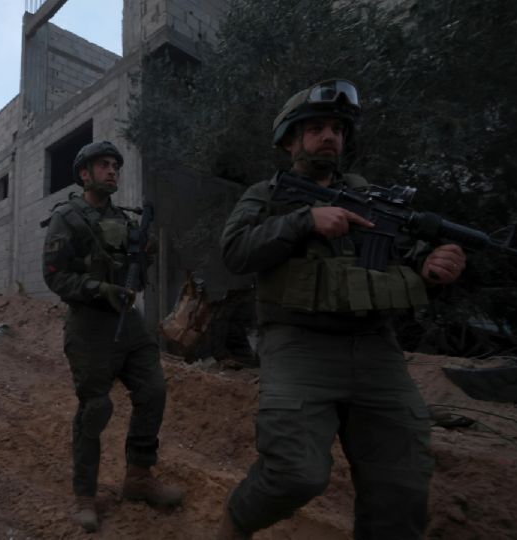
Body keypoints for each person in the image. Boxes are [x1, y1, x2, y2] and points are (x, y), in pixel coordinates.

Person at [216, 79, 467, 539]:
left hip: (376, 350)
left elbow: (400, 258)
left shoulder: (371, 198)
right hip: (298, 346)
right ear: (290, 140)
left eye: (336, 128)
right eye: (316, 128)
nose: (329, 136)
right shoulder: (268, 195)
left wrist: (431, 267)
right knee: (296, 473)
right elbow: (234, 252)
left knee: (402, 484)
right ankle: (236, 523)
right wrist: (302, 221)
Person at [42, 141, 183, 532]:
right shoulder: (68, 218)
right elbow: (54, 275)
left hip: (129, 324)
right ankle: (85, 494)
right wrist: (98, 289)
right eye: (103, 165)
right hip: (90, 326)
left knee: (153, 390)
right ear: (84, 174)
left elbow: (134, 264)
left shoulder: (125, 219)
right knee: (96, 409)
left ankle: (138, 477)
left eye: (115, 166)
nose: (111, 171)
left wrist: (145, 252)